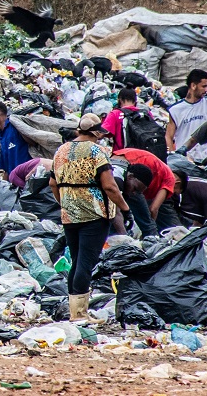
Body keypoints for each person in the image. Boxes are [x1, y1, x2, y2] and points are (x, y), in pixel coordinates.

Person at [50, 114, 131, 322]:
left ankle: (75, 311)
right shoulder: (97, 152)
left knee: (77, 260)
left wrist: (64, 203)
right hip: (94, 214)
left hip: (69, 214)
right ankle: (79, 314)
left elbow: (52, 183)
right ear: (96, 133)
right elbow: (110, 186)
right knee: (86, 262)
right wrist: (124, 207)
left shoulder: (62, 151)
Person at [112, 146, 179, 234]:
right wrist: (151, 228)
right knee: (147, 223)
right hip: (127, 166)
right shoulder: (170, 179)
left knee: (112, 211)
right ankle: (151, 242)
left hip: (114, 160)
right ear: (178, 183)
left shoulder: (160, 169)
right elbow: (153, 209)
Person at [165, 69, 207, 162]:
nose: (206, 90)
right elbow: (169, 136)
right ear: (193, 86)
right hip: (184, 159)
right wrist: (172, 156)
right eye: (203, 86)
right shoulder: (175, 110)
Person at [0, 102, 32, 177]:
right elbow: (6, 170)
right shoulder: (1, 136)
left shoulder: (16, 128)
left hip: (28, 177)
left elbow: (33, 142)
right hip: (16, 182)